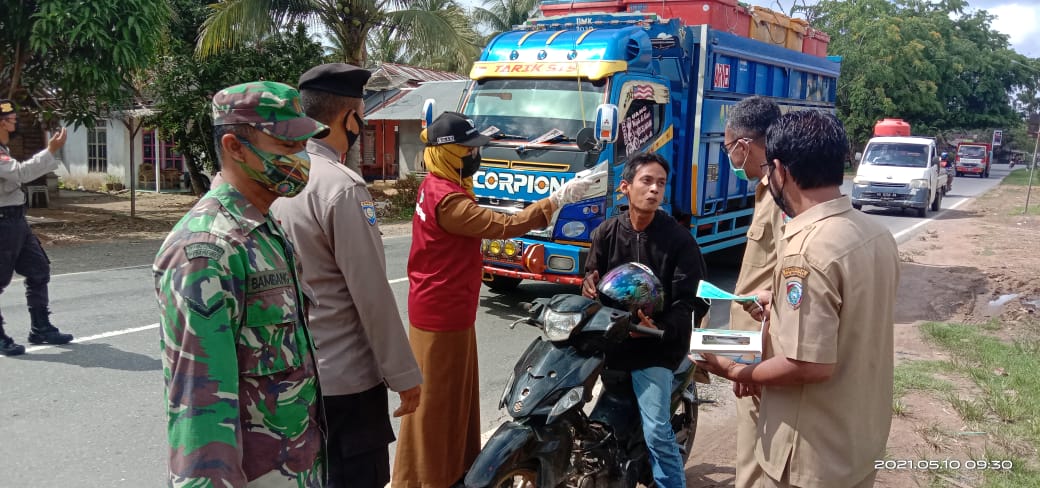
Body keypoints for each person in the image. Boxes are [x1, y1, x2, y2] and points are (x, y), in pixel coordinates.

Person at [696, 111, 899, 488]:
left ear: (779, 170)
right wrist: (778, 305)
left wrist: (733, 370)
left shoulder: (807, 251)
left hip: (810, 452)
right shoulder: (873, 233)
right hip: (857, 438)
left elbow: (807, 364)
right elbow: (849, 317)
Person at [392, 111, 595, 487]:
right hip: (442, 315)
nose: (475, 154)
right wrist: (555, 200)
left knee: (453, 398)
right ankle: (426, 479)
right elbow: (501, 226)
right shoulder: (447, 201)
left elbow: (488, 216)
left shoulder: (438, 186)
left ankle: (451, 471)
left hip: (446, 310)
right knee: (437, 405)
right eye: (468, 148)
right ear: (449, 152)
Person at [152, 81, 329, 487]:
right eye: (287, 148)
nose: (301, 160)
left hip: (297, 466)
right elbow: (199, 404)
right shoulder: (206, 250)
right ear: (234, 146)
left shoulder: (265, 229)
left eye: (303, 147)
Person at [271, 63, 422, 488]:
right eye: (363, 116)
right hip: (346, 381)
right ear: (349, 118)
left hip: (292, 372)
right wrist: (405, 377)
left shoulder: (276, 178)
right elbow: (371, 294)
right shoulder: (340, 186)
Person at [581, 151, 710, 488]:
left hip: (655, 348)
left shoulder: (679, 240)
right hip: (613, 340)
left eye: (661, 183)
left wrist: (662, 329)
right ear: (625, 187)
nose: (654, 189)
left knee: (656, 429)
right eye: (646, 181)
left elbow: (691, 300)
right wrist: (588, 284)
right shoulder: (606, 232)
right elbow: (591, 276)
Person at [722, 96, 782, 488]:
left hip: (761, 350)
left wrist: (751, 359)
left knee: (756, 459)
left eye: (729, 148)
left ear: (744, 145)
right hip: (753, 345)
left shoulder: (781, 195)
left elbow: (785, 284)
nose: (730, 157)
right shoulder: (767, 190)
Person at [0, 99, 72, 356]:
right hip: (3, 222)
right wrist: (50, 151)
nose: (14, 120)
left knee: (39, 269)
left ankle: (41, 327)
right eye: (9, 117)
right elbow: (19, 173)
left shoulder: (3, 148)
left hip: (16, 219)